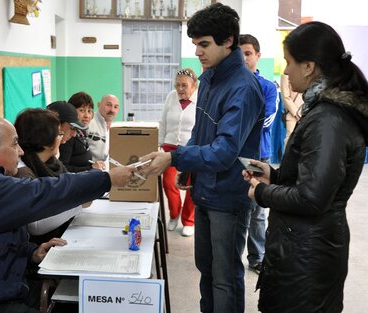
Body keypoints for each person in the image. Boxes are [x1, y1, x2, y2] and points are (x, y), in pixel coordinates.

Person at [0, 116, 135, 313]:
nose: (20, 151)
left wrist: (31, 252)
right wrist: (106, 179)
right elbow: (42, 192)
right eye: (14, 144)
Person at [140, 4, 265, 313]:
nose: (197, 51)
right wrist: (188, 167)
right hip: (205, 189)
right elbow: (201, 130)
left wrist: (174, 158)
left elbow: (224, 152)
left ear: (229, 41)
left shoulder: (244, 88)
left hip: (229, 197)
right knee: (206, 270)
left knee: (224, 277)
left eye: (204, 44)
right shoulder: (208, 78)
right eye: (195, 43)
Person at [242, 21, 368, 313]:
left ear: (309, 66)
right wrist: (273, 174)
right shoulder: (322, 113)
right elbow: (314, 179)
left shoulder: (327, 120)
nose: (286, 71)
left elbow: (312, 197)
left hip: (308, 254)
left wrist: (263, 193)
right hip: (303, 247)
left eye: (289, 62)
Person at [239, 34, 278, 274]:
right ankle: (233, 255)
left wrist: (234, 126)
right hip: (231, 156)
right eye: (239, 53)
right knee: (234, 207)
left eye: (248, 53)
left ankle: (256, 257)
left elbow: (267, 121)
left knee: (257, 210)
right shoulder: (230, 84)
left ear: (258, 56)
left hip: (257, 158)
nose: (243, 58)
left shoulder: (267, 87)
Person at [14, 108, 81, 244]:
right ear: (45, 141)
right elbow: (35, 226)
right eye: (58, 134)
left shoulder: (51, 162)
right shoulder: (23, 173)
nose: (61, 138)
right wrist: (80, 200)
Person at [158, 68, 198, 237]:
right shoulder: (171, 97)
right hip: (170, 147)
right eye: (177, 85)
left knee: (190, 185)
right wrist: (160, 143)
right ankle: (174, 214)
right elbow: (163, 121)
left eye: (184, 85)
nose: (180, 89)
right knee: (168, 183)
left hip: (190, 148)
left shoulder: (201, 99)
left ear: (194, 86)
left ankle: (189, 221)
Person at [59, 92, 106, 172]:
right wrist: (90, 168)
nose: (87, 116)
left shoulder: (81, 131)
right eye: (82, 110)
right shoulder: (68, 137)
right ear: (72, 111)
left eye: (89, 111)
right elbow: (63, 168)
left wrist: (93, 165)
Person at [87, 94, 120, 161]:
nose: (112, 110)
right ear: (99, 105)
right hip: (89, 168)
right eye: (108, 105)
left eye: (115, 107)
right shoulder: (88, 121)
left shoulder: (116, 129)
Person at [280, 73, 303, 148]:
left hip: (307, 112)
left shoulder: (309, 75)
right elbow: (285, 97)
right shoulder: (285, 76)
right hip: (292, 115)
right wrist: (296, 113)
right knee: (290, 141)